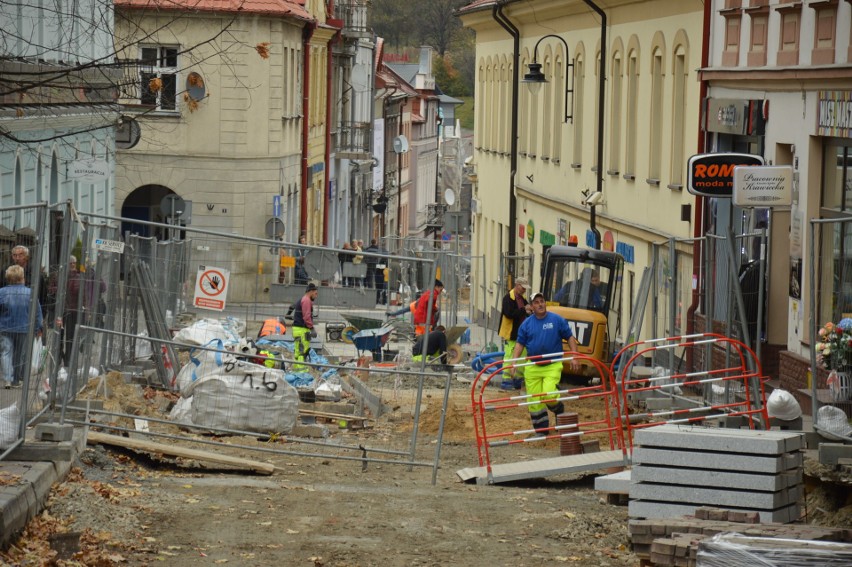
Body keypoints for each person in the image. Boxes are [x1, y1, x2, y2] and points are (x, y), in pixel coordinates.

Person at [506, 291, 579, 434]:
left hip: (552, 365)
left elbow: (570, 337)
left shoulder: (556, 320)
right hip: (533, 366)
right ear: (532, 306)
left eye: (542, 301)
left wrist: (574, 356)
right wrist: (513, 362)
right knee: (534, 401)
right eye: (536, 302)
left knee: (550, 395)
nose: (540, 304)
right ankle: (541, 430)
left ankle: (559, 410)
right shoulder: (526, 324)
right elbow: (520, 344)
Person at [0, 265, 43, 388]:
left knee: (6, 352)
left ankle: (8, 379)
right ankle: (16, 381)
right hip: (24, 328)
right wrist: (38, 328)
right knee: (20, 355)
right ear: (22, 277)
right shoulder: (30, 293)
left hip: (5, 327)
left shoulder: (2, 292)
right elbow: (37, 312)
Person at [498, 276, 531, 391]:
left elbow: (526, 310)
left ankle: (518, 379)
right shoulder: (508, 298)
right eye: (523, 288)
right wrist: (524, 310)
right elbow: (508, 313)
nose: (524, 290)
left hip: (521, 333)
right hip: (511, 333)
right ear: (517, 286)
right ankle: (506, 380)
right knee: (509, 356)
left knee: (522, 356)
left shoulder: (522, 298)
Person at [291, 282, 318, 370]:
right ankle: (301, 371)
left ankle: (296, 368)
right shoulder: (306, 300)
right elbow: (306, 317)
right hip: (302, 329)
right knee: (303, 351)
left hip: (297, 329)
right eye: (315, 293)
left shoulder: (302, 299)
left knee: (298, 350)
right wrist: (312, 328)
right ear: (311, 291)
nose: (316, 296)